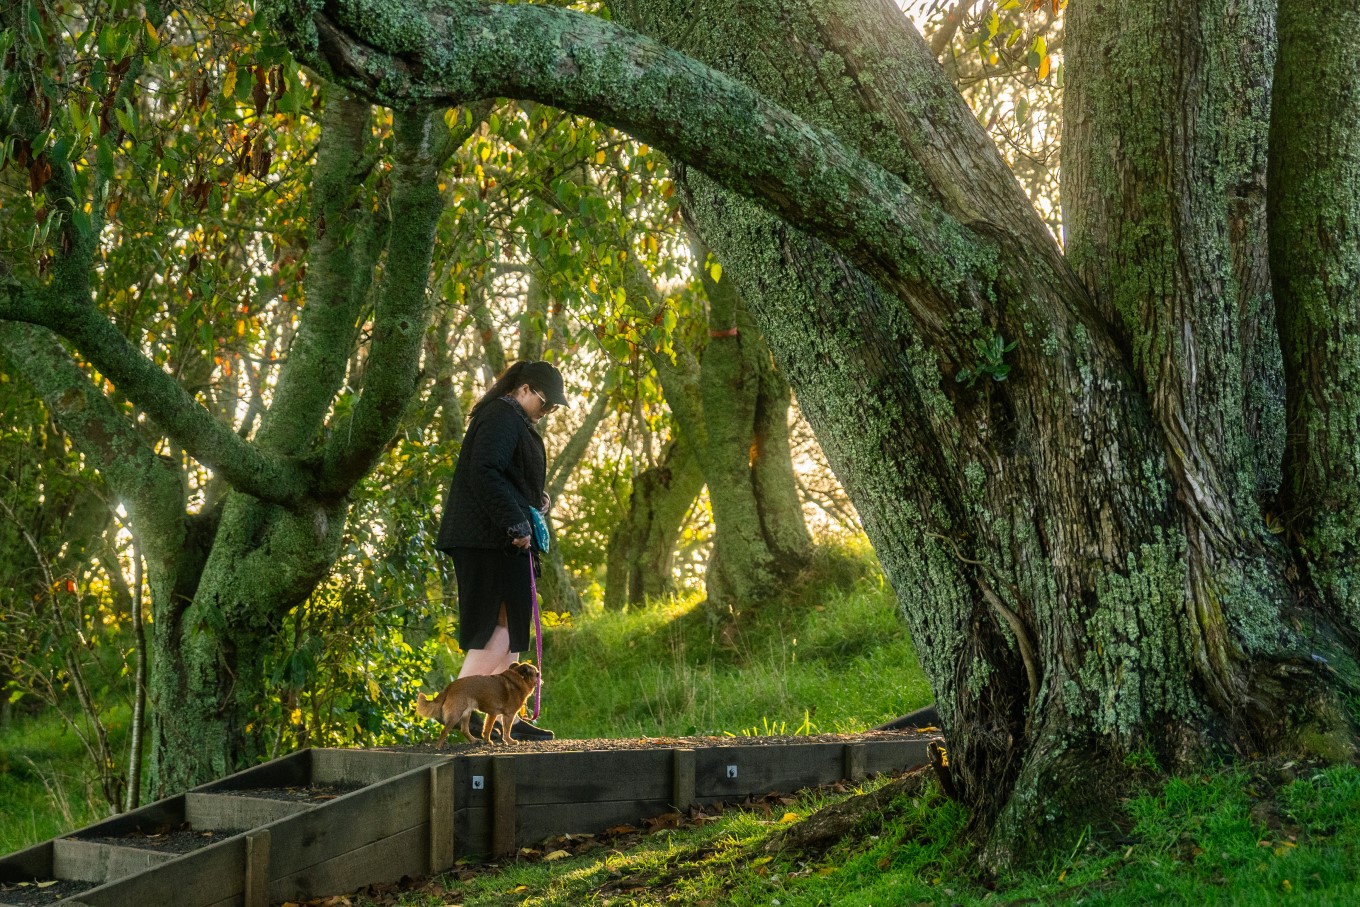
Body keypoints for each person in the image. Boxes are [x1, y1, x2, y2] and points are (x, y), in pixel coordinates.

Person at [435, 360, 569, 741]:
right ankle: (462, 708)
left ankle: (505, 712)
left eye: (552, 408)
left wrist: (532, 503)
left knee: (511, 628)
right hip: (487, 539)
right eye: (545, 403)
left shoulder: (512, 420)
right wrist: (514, 521)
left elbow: (504, 476)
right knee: (498, 626)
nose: (547, 412)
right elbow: (485, 471)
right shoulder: (501, 416)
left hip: (499, 539)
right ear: (524, 389)